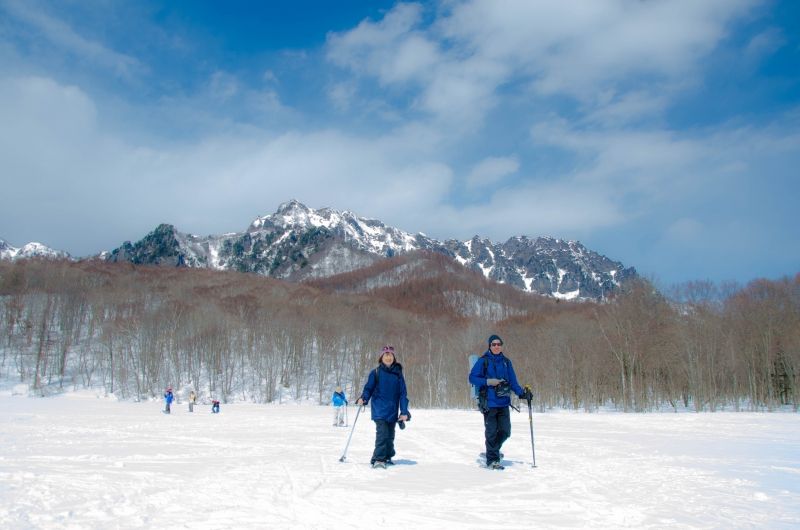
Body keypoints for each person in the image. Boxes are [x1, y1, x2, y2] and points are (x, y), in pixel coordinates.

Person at [468, 334, 532, 470]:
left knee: (505, 431)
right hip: (489, 403)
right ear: (490, 346)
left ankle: (493, 451)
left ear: (501, 346)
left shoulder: (506, 362)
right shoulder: (483, 361)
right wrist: (488, 381)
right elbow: (472, 378)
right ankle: (492, 460)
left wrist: (522, 394)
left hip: (503, 402)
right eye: (493, 344)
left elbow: (513, 381)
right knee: (491, 432)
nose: (496, 346)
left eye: (498, 344)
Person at [356, 345, 410, 469]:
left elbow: (403, 394)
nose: (388, 357)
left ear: (394, 357)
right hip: (379, 409)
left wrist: (404, 411)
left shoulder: (398, 374)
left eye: (390, 355)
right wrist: (363, 398)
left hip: (392, 410)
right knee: (382, 434)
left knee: (390, 435)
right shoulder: (375, 372)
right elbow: (368, 388)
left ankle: (386, 456)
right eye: (386, 355)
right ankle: (379, 459)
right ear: (381, 358)